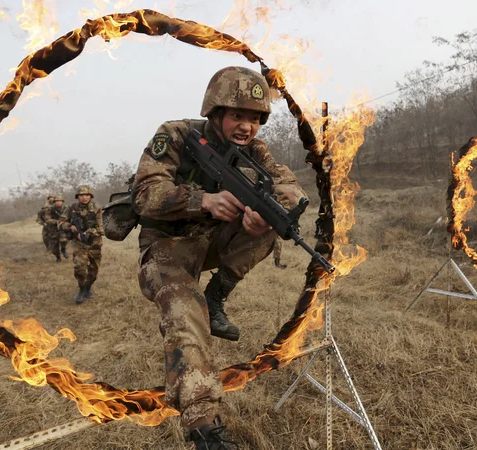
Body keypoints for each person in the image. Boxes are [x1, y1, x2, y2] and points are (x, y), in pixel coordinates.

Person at [131, 66, 306, 449]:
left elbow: (289, 186)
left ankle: (217, 295)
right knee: (185, 313)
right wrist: (201, 199)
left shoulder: (253, 151)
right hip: (165, 248)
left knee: (274, 222)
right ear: (215, 113)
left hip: (209, 243)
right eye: (238, 115)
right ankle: (204, 427)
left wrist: (267, 211)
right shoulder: (176, 135)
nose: (247, 127)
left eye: (255, 118)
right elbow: (144, 193)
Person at [61, 185, 103, 304]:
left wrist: (88, 232)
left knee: (94, 271)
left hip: (94, 243)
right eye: (81, 195)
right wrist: (71, 227)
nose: (84, 197)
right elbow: (61, 222)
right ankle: (81, 289)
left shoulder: (96, 208)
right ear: (77, 197)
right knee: (80, 266)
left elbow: (101, 229)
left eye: (87, 195)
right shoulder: (72, 208)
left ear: (90, 196)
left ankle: (88, 288)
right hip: (78, 243)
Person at [45, 194, 68, 262]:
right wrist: (57, 221)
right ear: (54, 202)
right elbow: (47, 219)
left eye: (60, 201)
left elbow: (70, 216)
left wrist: (64, 221)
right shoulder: (50, 209)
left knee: (64, 240)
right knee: (54, 247)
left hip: (63, 228)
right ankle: (58, 257)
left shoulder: (66, 208)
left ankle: (63, 250)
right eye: (57, 201)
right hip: (53, 229)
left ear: (62, 201)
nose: (58, 202)